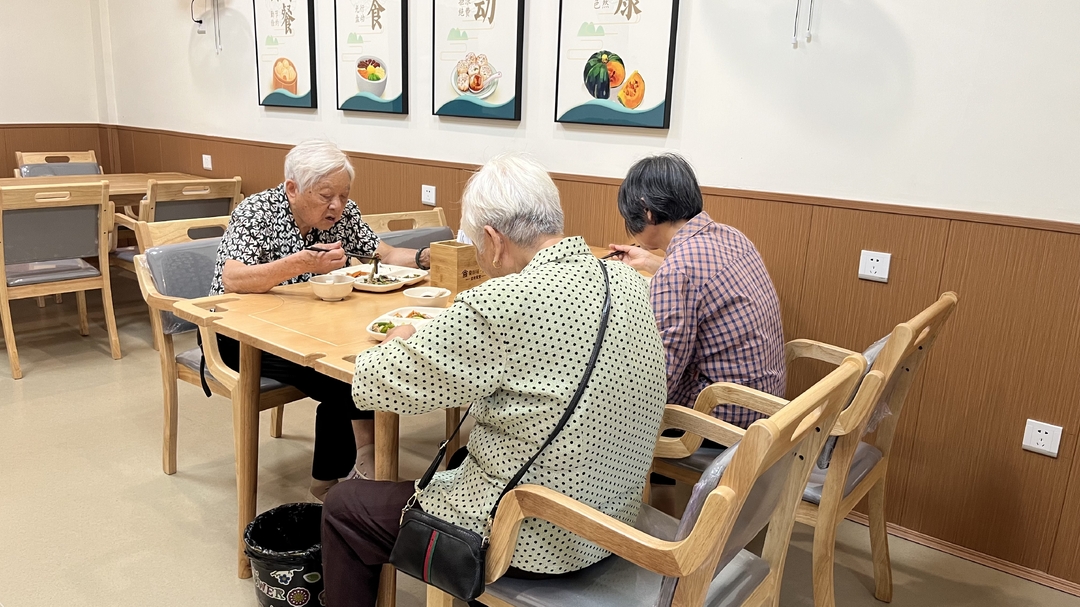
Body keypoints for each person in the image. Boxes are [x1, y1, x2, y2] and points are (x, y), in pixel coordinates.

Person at [321, 153, 668, 607]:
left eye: (475, 244)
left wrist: (400, 338)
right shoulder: (628, 278)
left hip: (538, 540)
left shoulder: (502, 301)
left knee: (344, 507)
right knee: (464, 452)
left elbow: (374, 382)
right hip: (613, 514)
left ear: (493, 239)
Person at [208, 139, 432, 500]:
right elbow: (233, 278)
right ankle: (346, 475)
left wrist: (426, 258)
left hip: (309, 324)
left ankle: (345, 472)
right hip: (243, 336)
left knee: (364, 363)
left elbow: (385, 254)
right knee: (347, 378)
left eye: (344, 195)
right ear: (293, 188)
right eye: (327, 196)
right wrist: (302, 262)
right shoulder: (256, 212)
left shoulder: (342, 213)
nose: (338, 206)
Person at [609, 153, 786, 428]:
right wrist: (654, 263)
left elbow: (659, 379)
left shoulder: (678, 272)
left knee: (613, 388)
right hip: (767, 404)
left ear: (647, 212)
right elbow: (699, 277)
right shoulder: (730, 236)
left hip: (724, 421)